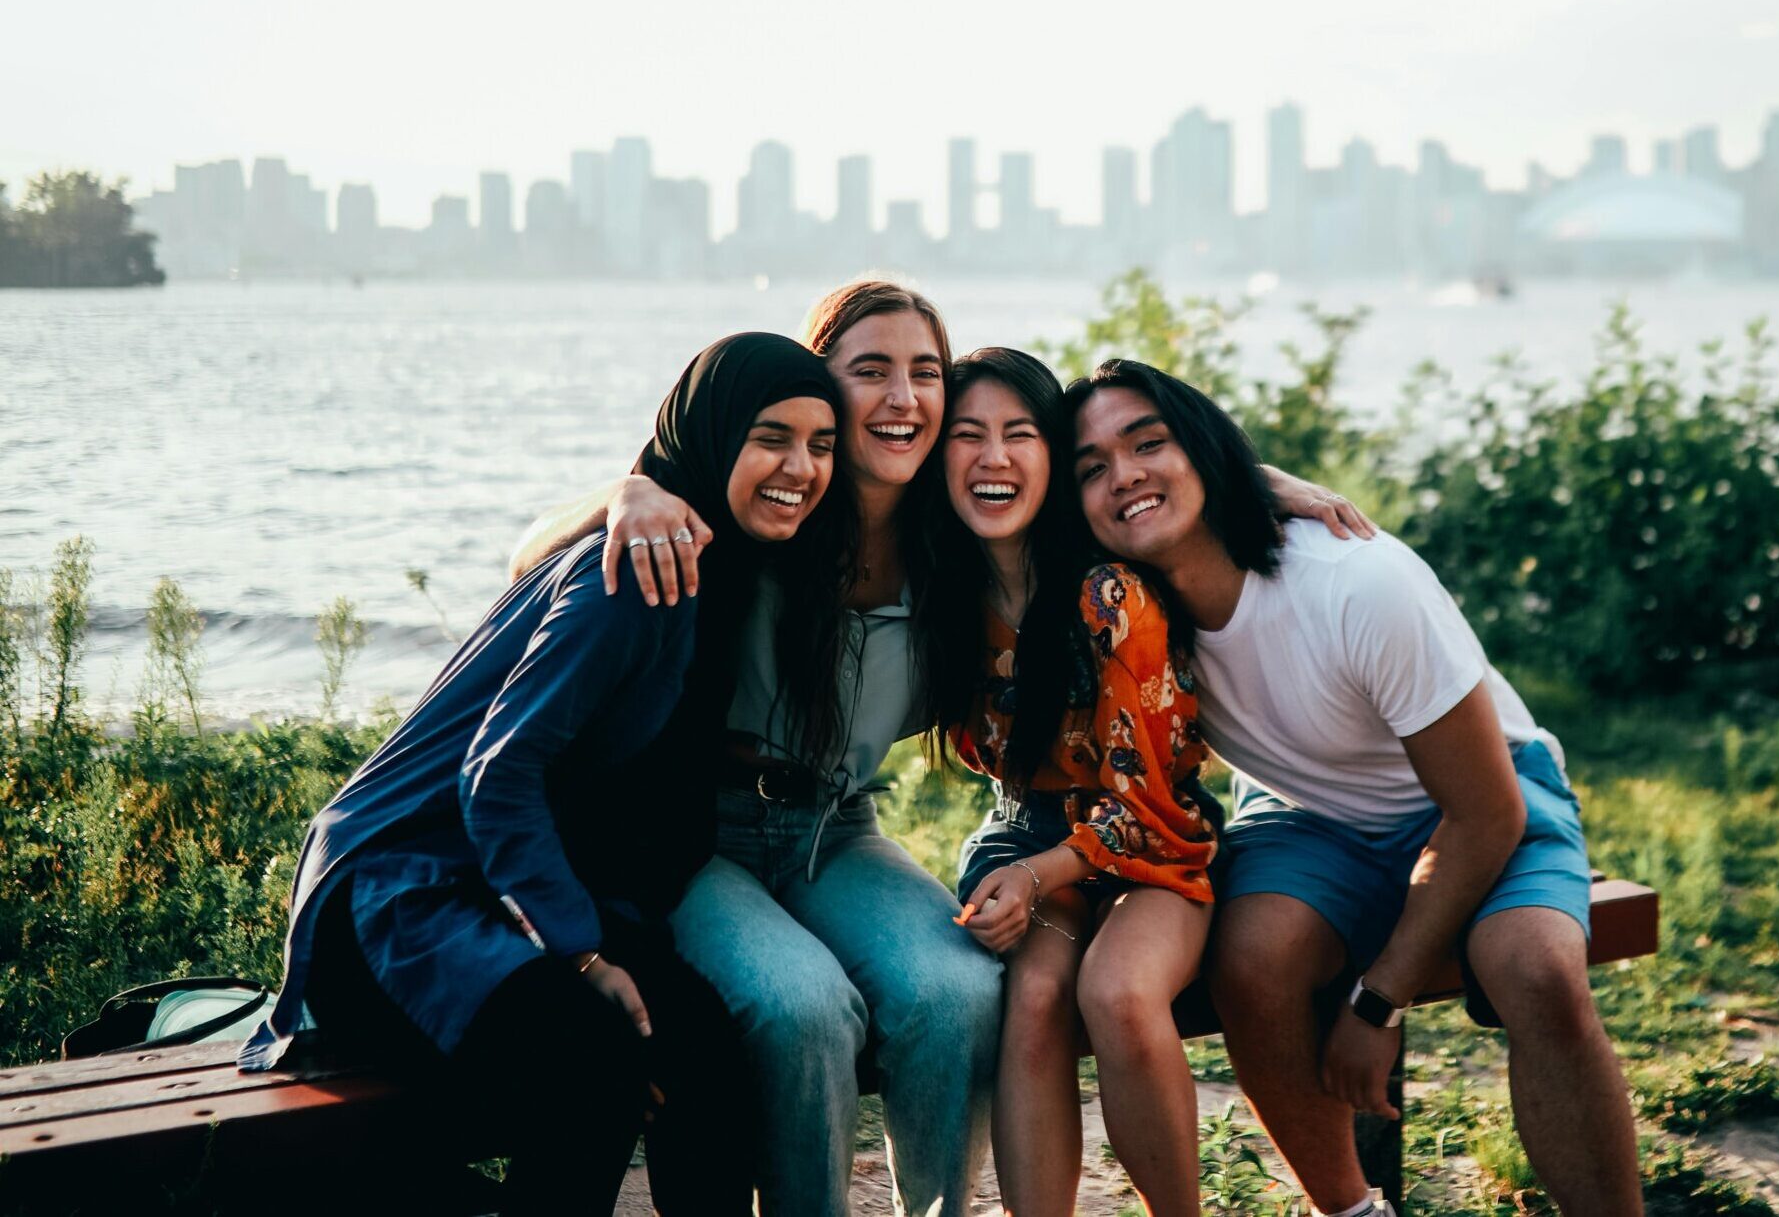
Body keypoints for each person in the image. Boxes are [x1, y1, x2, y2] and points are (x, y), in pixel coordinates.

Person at [241, 333, 844, 1216]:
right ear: (716, 434)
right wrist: (585, 954)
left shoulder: (712, 557)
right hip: (400, 889)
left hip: (496, 882)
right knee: (597, 1063)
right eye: (772, 438)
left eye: (822, 445)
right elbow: (497, 774)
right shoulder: (637, 574)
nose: (801, 466)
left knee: (706, 1054)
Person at [1063, 359, 1643, 1217]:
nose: (1126, 476)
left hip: (1481, 796)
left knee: (1537, 971)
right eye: (1094, 468)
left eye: (1150, 443)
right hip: (1313, 816)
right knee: (1252, 960)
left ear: (1210, 456)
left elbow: (1486, 813)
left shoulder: (1354, 583)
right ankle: (1353, 1211)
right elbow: (990, 479)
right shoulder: (1125, 611)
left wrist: (1378, 1002)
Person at [509, 281, 998, 1217]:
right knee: (803, 1007)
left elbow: (1093, 474)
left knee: (959, 990)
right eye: (871, 372)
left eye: (926, 373)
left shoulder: (955, 528)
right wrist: (626, 491)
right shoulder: (766, 496)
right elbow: (531, 558)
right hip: (700, 835)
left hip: (838, 830)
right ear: (817, 388)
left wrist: (1257, 481)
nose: (903, 398)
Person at [924, 347, 1222, 1217]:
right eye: (968, 435)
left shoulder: (1106, 594)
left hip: (1153, 834)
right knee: (1036, 993)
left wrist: (1034, 874)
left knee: (1117, 992)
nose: (995, 457)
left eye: (1020, 433)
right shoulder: (947, 593)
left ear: (1053, 458)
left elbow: (1142, 801)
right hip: (1028, 834)